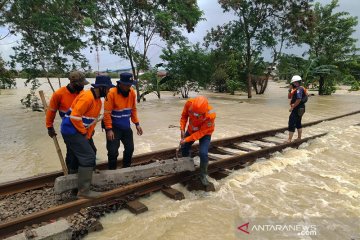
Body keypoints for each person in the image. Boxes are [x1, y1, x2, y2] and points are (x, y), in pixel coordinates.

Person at [60, 75, 114, 199]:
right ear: (101, 88)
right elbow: (74, 117)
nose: (109, 91)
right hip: (71, 130)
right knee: (88, 157)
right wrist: (83, 133)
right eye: (108, 89)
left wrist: (87, 136)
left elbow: (91, 121)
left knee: (83, 154)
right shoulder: (87, 97)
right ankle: (83, 191)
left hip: (77, 130)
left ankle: (75, 187)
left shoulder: (97, 101)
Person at [45, 71, 89, 173]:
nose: (83, 86)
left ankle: (84, 173)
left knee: (89, 151)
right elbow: (51, 111)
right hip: (69, 129)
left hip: (83, 128)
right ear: (74, 83)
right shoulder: (59, 94)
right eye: (81, 84)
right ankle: (71, 174)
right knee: (72, 153)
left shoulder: (83, 93)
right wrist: (49, 127)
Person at [103, 72, 143, 170]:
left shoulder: (132, 92)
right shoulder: (111, 93)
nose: (128, 87)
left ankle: (126, 168)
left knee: (130, 149)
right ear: (120, 84)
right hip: (113, 127)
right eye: (126, 85)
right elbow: (107, 113)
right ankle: (112, 170)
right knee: (113, 151)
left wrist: (137, 124)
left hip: (125, 126)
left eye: (130, 85)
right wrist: (109, 129)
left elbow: (133, 109)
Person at [180, 96, 216, 186]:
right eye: (194, 113)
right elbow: (184, 116)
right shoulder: (189, 103)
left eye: (198, 114)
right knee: (184, 148)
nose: (196, 115)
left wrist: (187, 139)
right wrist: (182, 129)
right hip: (191, 130)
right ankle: (187, 166)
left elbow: (201, 133)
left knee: (203, 153)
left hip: (205, 133)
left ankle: (203, 175)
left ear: (204, 111)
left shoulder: (210, 115)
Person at [286, 75, 308, 143]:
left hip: (297, 108)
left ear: (296, 82)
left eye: (293, 82)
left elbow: (298, 99)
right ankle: (299, 138)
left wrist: (292, 107)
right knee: (298, 123)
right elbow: (289, 97)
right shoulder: (297, 89)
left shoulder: (299, 89)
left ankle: (289, 140)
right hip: (301, 108)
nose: (293, 84)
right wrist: (289, 90)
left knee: (291, 122)